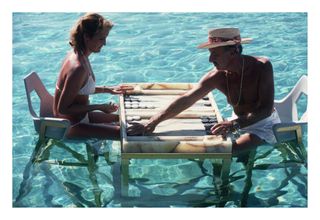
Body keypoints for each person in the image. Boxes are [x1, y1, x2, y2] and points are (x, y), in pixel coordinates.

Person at [127, 27, 281, 155]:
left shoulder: (261, 66)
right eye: (210, 53)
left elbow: (265, 110)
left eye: (215, 54)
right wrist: (151, 122)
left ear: (233, 52)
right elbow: (187, 98)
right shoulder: (217, 76)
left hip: (263, 124)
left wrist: (234, 124)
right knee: (205, 149)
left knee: (226, 151)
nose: (210, 59)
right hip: (236, 121)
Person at [53, 13, 132, 140]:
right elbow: (62, 109)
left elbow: (80, 89)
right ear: (86, 37)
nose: (105, 43)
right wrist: (100, 107)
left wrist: (108, 89)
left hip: (82, 117)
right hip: (71, 125)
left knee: (127, 120)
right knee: (128, 133)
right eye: (101, 38)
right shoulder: (77, 68)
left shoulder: (79, 54)